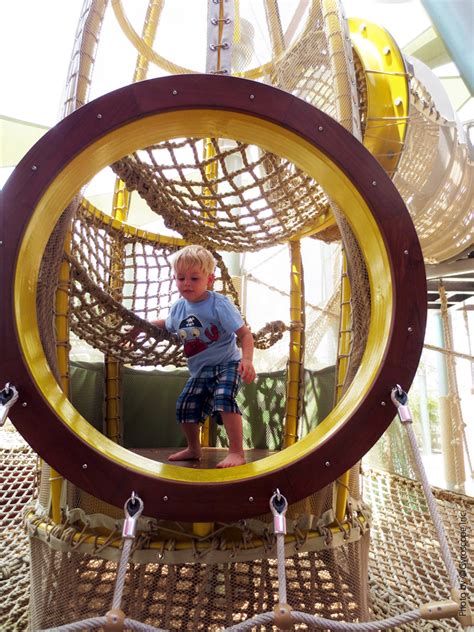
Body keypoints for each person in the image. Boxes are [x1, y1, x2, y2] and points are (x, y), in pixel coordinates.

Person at [125, 245, 255, 468]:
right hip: (200, 370)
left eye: (194, 278)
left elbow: (244, 334)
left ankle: (237, 452)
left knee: (224, 399)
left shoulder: (218, 304)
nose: (186, 283)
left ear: (209, 280)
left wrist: (247, 360)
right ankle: (194, 449)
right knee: (185, 406)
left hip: (227, 364)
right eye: (181, 278)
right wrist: (141, 326)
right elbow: (166, 325)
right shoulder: (178, 309)